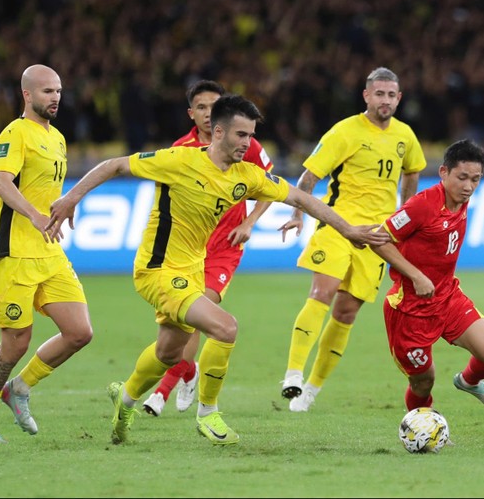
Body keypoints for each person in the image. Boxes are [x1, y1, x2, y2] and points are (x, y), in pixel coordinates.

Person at [46, 94, 389, 446]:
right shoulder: (179, 160)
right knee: (225, 327)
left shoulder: (246, 176)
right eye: (241, 135)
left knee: (168, 352)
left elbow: (300, 197)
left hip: (192, 271)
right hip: (157, 269)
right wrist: (72, 197)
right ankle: (208, 413)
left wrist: (347, 229)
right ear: (219, 131)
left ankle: (127, 397)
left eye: (251, 135)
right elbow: (115, 165)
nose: (247, 143)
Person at [278, 67, 427, 412]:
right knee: (322, 293)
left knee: (346, 313)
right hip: (338, 225)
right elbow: (309, 177)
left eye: (391, 95)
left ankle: (311, 391)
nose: (385, 100)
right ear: (366, 96)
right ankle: (293, 374)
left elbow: (413, 171)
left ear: (399, 99)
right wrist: (298, 214)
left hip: (377, 237)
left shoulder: (405, 135)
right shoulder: (344, 131)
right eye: (379, 94)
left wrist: (403, 216)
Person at [0, 64, 94, 444]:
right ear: (27, 95)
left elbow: (44, 188)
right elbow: (1, 183)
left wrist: (61, 208)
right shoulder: (15, 133)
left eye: (58, 91)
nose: (55, 98)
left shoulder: (57, 138)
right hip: (13, 253)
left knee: (79, 332)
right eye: (47, 91)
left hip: (48, 250)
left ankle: (19, 388)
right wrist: (35, 216)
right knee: (16, 342)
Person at [141, 80, 274, 417]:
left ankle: (162, 392)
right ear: (191, 113)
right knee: (179, 325)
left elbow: (271, 187)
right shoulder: (181, 150)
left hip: (224, 247)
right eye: (201, 107)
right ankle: (187, 373)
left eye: (213, 106)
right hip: (185, 250)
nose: (207, 112)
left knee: (201, 309)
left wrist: (249, 222)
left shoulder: (246, 143)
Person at [369, 139, 484, 413]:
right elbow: (378, 239)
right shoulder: (422, 206)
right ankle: (422, 425)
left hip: (448, 298)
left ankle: (468, 382)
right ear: (444, 172)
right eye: (462, 177)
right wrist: (416, 276)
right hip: (410, 309)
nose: (468, 186)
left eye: (476, 179)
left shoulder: (461, 199)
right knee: (423, 381)